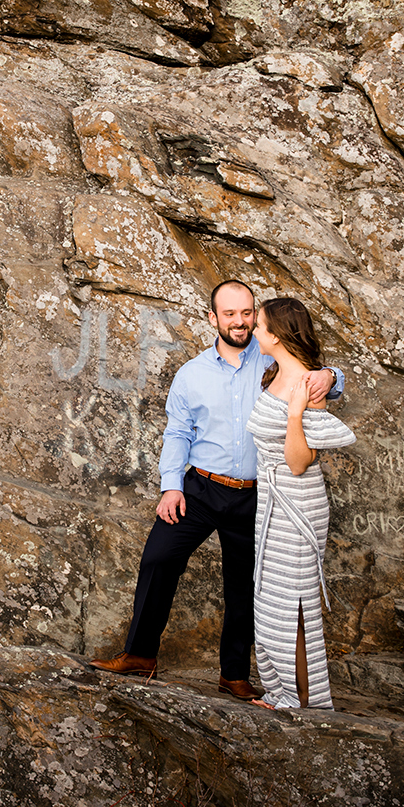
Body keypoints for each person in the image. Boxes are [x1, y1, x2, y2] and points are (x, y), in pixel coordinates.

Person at [89, 280, 344, 701]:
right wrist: (171, 487)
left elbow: (318, 375)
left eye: (247, 313)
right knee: (158, 558)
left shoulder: (271, 359)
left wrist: (330, 375)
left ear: (256, 317)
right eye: (229, 314)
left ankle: (234, 674)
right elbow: (177, 433)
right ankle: (140, 654)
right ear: (213, 318)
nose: (240, 321)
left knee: (245, 585)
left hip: (259, 494)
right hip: (202, 489)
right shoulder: (191, 374)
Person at [247, 296, 356, 712]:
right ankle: (280, 691)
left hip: (296, 502)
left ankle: (302, 701)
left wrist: (295, 415)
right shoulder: (276, 372)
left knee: (294, 603)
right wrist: (332, 373)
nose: (254, 331)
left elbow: (298, 462)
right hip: (271, 502)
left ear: (276, 335)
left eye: (259, 326)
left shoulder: (308, 387)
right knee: (271, 600)